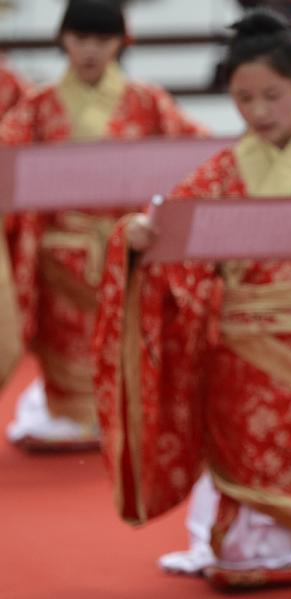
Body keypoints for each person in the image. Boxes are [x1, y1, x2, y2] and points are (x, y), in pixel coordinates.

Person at [91, 9, 291, 588]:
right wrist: (135, 241)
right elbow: (169, 243)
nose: (259, 111)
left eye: (272, 95)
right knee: (247, 457)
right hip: (241, 356)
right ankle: (258, 541)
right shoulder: (217, 175)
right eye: (244, 99)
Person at [0, 0, 205, 451]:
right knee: (67, 342)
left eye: (102, 39)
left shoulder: (147, 102)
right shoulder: (39, 105)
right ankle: (69, 415)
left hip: (128, 244)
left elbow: (196, 154)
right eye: (80, 38)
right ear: (63, 40)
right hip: (60, 250)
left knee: (128, 339)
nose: (90, 50)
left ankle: (123, 417)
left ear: (121, 42)